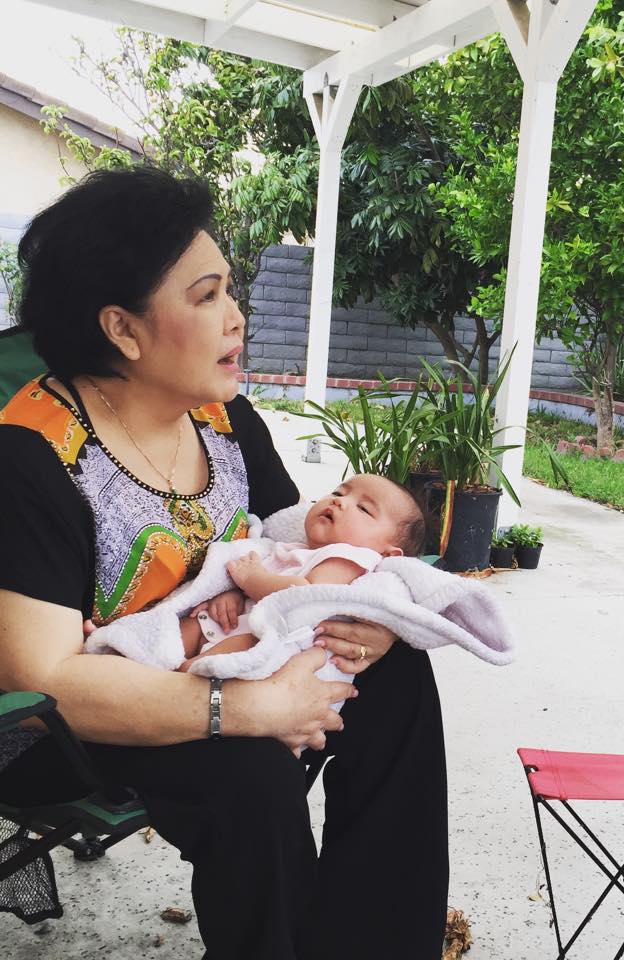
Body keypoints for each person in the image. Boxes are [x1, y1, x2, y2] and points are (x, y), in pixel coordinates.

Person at [0, 167, 448, 959]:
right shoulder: (28, 458)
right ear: (123, 329)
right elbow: (44, 686)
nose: (237, 317)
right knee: (251, 777)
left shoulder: (224, 419)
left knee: (398, 676)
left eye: (229, 290)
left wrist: (367, 614)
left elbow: (296, 543)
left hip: (226, 653)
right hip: (72, 729)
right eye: (207, 297)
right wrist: (248, 708)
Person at [179, 473, 426, 671]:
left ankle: (184, 679)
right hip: (228, 624)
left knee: (246, 644)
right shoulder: (292, 548)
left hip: (262, 639)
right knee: (178, 630)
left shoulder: (350, 557)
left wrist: (250, 580)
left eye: (364, 509)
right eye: (338, 492)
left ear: (387, 554)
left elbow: (304, 596)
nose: (339, 501)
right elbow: (255, 582)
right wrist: (232, 596)